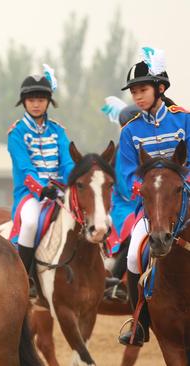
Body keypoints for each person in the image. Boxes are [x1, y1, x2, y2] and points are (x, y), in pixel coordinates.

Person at [117, 47, 190, 347]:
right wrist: (145, 190)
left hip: (185, 198)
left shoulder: (184, 120)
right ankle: (140, 322)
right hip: (152, 206)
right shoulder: (130, 131)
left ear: (160, 88)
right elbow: (125, 175)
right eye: (134, 92)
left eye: (142, 89)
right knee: (135, 251)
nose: (137, 96)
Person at [7, 64, 75, 297]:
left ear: (48, 101)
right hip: (30, 194)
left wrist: (73, 182)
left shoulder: (58, 131)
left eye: (41, 99)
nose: (36, 104)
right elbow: (24, 168)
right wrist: (41, 189)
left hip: (60, 191)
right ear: (24, 102)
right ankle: (23, 278)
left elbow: (66, 162)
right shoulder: (16, 133)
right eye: (31, 99)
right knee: (30, 223)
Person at [101, 98, 141, 301]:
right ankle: (115, 282)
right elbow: (126, 188)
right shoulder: (121, 152)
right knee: (136, 232)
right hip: (126, 206)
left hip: (148, 202)